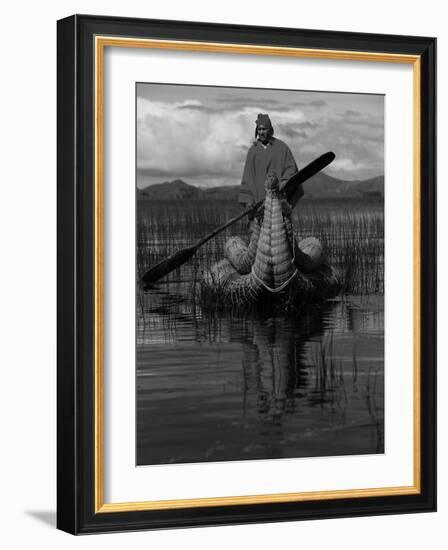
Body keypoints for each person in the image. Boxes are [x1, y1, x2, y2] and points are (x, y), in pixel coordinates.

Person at [238, 113, 302, 211]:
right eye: (259, 129)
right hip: (259, 204)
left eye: (264, 129)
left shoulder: (282, 147)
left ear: (270, 130)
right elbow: (248, 177)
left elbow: (291, 168)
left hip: (278, 201)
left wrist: (285, 181)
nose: (261, 132)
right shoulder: (252, 151)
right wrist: (249, 202)